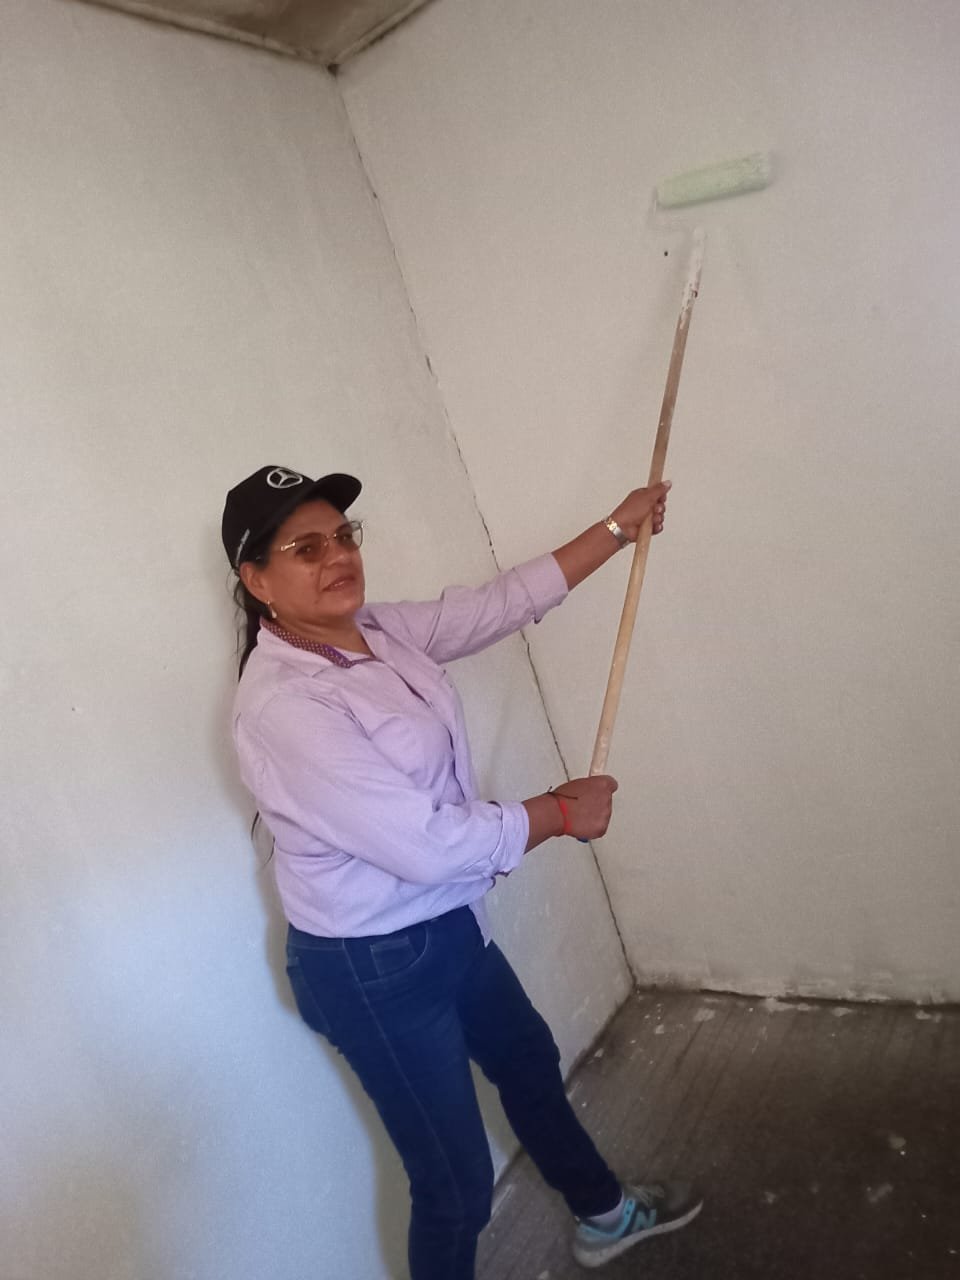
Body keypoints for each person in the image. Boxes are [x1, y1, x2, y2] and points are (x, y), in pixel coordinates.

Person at [221, 464, 702, 1278]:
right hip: (373, 969)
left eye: (343, 535)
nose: (338, 555)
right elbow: (428, 845)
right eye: (306, 548)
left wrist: (619, 527)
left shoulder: (375, 631)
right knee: (455, 1188)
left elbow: (498, 604)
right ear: (256, 579)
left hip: (446, 925)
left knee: (528, 1065)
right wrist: (557, 811)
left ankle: (606, 1215)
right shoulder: (284, 706)